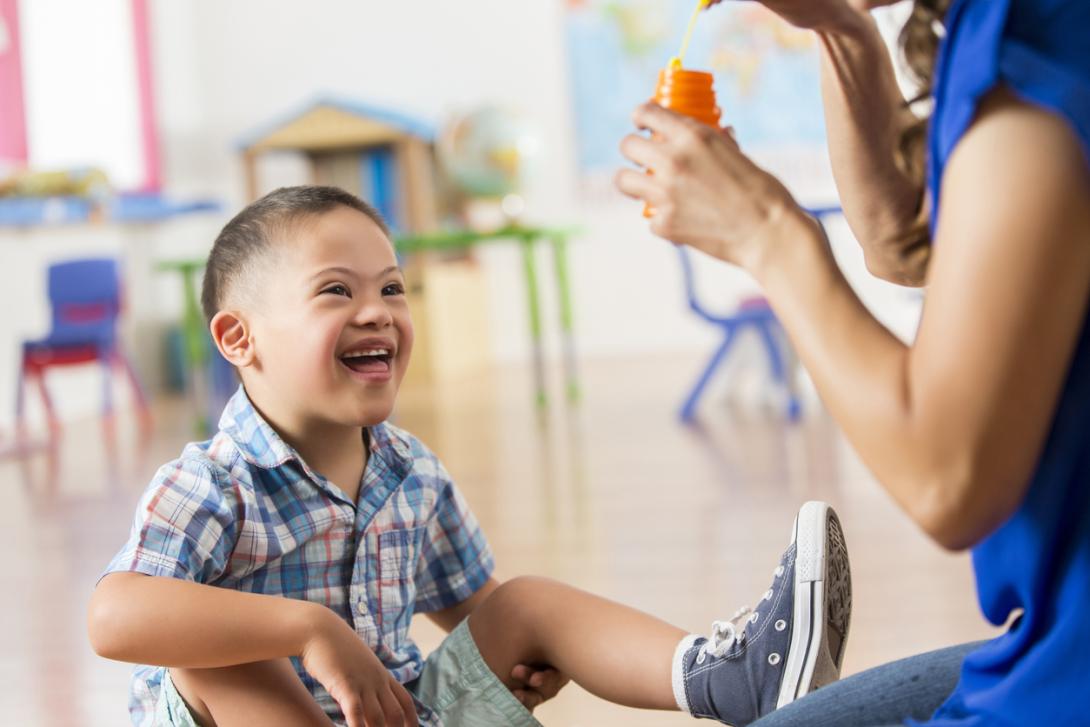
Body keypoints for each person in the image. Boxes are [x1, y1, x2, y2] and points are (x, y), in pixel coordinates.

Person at [87, 185, 852, 727]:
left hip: (397, 713)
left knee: (521, 601)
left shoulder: (409, 471)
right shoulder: (210, 483)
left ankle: (730, 677)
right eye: (334, 291)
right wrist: (308, 629)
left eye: (392, 287)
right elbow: (114, 616)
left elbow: (472, 603)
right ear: (238, 339)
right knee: (212, 656)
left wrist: (536, 651)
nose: (377, 311)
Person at [616, 0, 1090, 725]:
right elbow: (906, 242)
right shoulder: (999, 29)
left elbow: (948, 478)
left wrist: (765, 234)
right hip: (1057, 630)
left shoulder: (1044, 55)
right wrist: (842, 31)